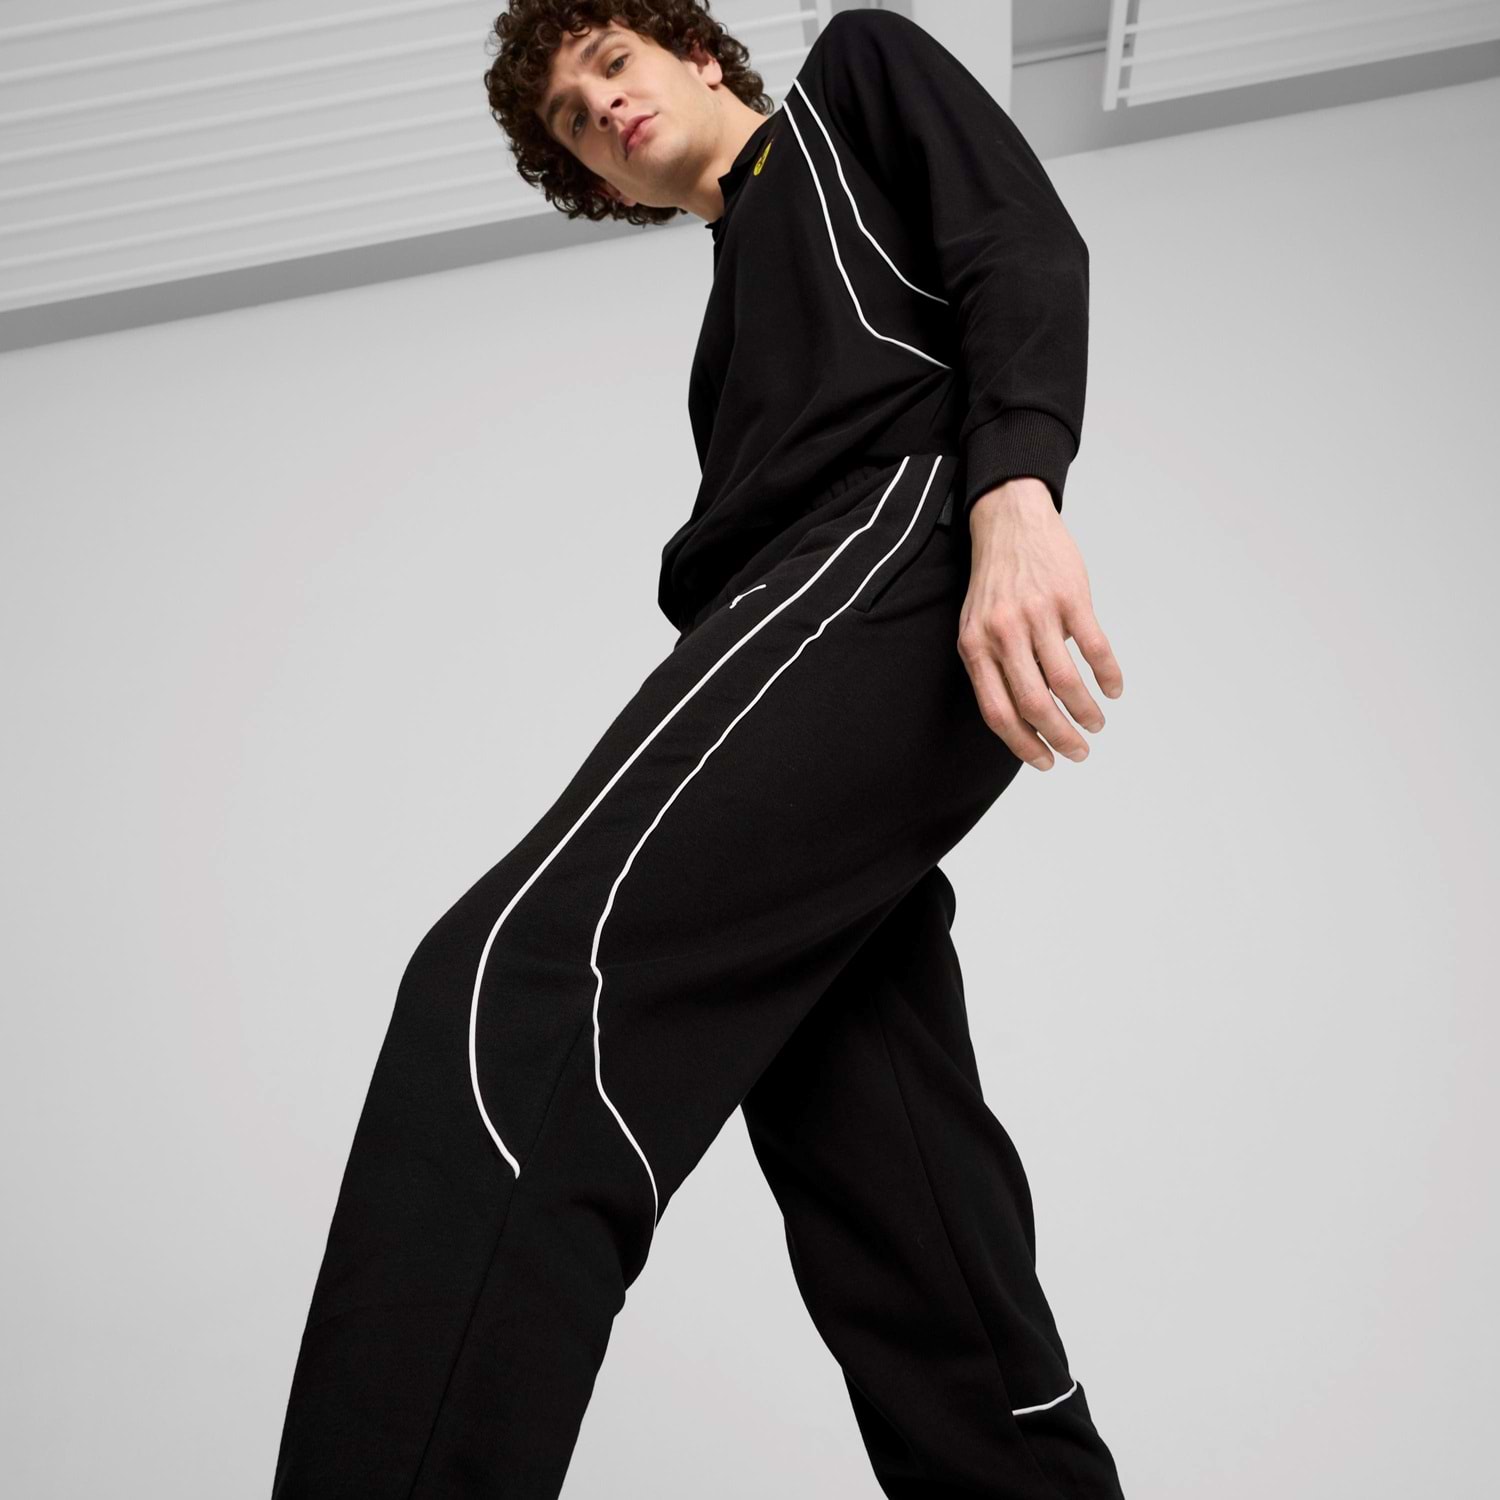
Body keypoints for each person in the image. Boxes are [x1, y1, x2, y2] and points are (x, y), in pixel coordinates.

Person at [270, 5, 1128, 1497]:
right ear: (594, 181)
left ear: (699, 55)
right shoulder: (722, 348)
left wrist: (1015, 495)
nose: (597, 107)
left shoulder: (854, 77)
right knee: (889, 1178)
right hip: (791, 630)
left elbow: (1019, 244)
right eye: (568, 119)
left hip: (892, 546)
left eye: (610, 63)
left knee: (525, 979)